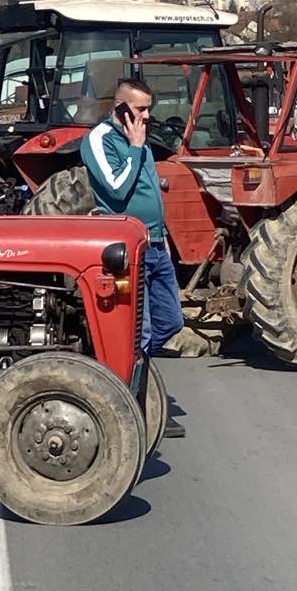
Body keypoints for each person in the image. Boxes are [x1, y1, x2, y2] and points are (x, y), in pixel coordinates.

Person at [80, 76, 197, 374]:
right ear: (120, 108)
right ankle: (133, 388)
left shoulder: (141, 141)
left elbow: (151, 192)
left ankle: (134, 368)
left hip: (156, 245)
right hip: (128, 249)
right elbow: (117, 188)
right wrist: (134, 148)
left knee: (172, 321)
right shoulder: (100, 140)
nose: (147, 115)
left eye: (149, 109)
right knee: (138, 329)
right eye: (140, 109)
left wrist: (163, 235)